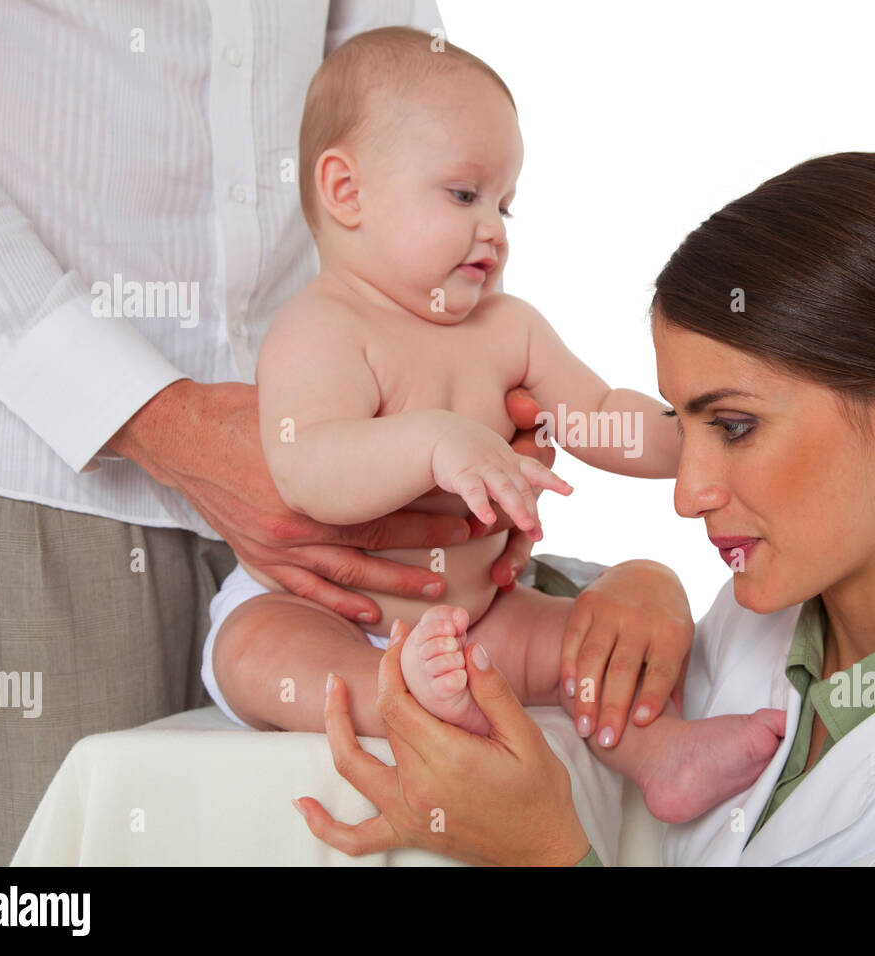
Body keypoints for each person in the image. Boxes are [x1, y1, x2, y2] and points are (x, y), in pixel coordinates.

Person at [293, 152, 875, 866]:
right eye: (681, 424)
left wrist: (552, 856)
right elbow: (552, 639)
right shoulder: (764, 629)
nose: (688, 490)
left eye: (735, 426)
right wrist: (639, 580)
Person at [0, 0, 547, 867]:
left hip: (347, 480)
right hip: (37, 464)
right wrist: (148, 411)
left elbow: (397, 80)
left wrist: (482, 391)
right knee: (53, 883)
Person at [203, 28, 787, 825]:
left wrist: (700, 430)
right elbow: (311, 468)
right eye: (463, 195)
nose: (496, 228)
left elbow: (599, 416)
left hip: (479, 614)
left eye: (505, 203)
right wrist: (437, 441)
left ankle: (660, 753)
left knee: (584, 643)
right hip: (326, 615)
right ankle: (397, 701)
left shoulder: (509, 327)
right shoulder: (322, 328)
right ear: (347, 192)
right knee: (253, 654)